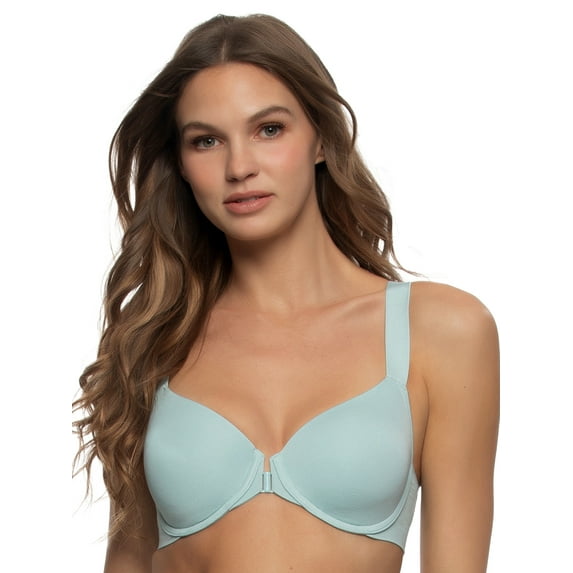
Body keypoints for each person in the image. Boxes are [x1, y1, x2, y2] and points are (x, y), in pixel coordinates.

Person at [73, 13, 499, 573]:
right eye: (206, 141)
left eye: (269, 129)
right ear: (182, 164)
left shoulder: (441, 331)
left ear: (321, 138)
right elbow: (128, 561)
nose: (239, 166)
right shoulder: (155, 336)